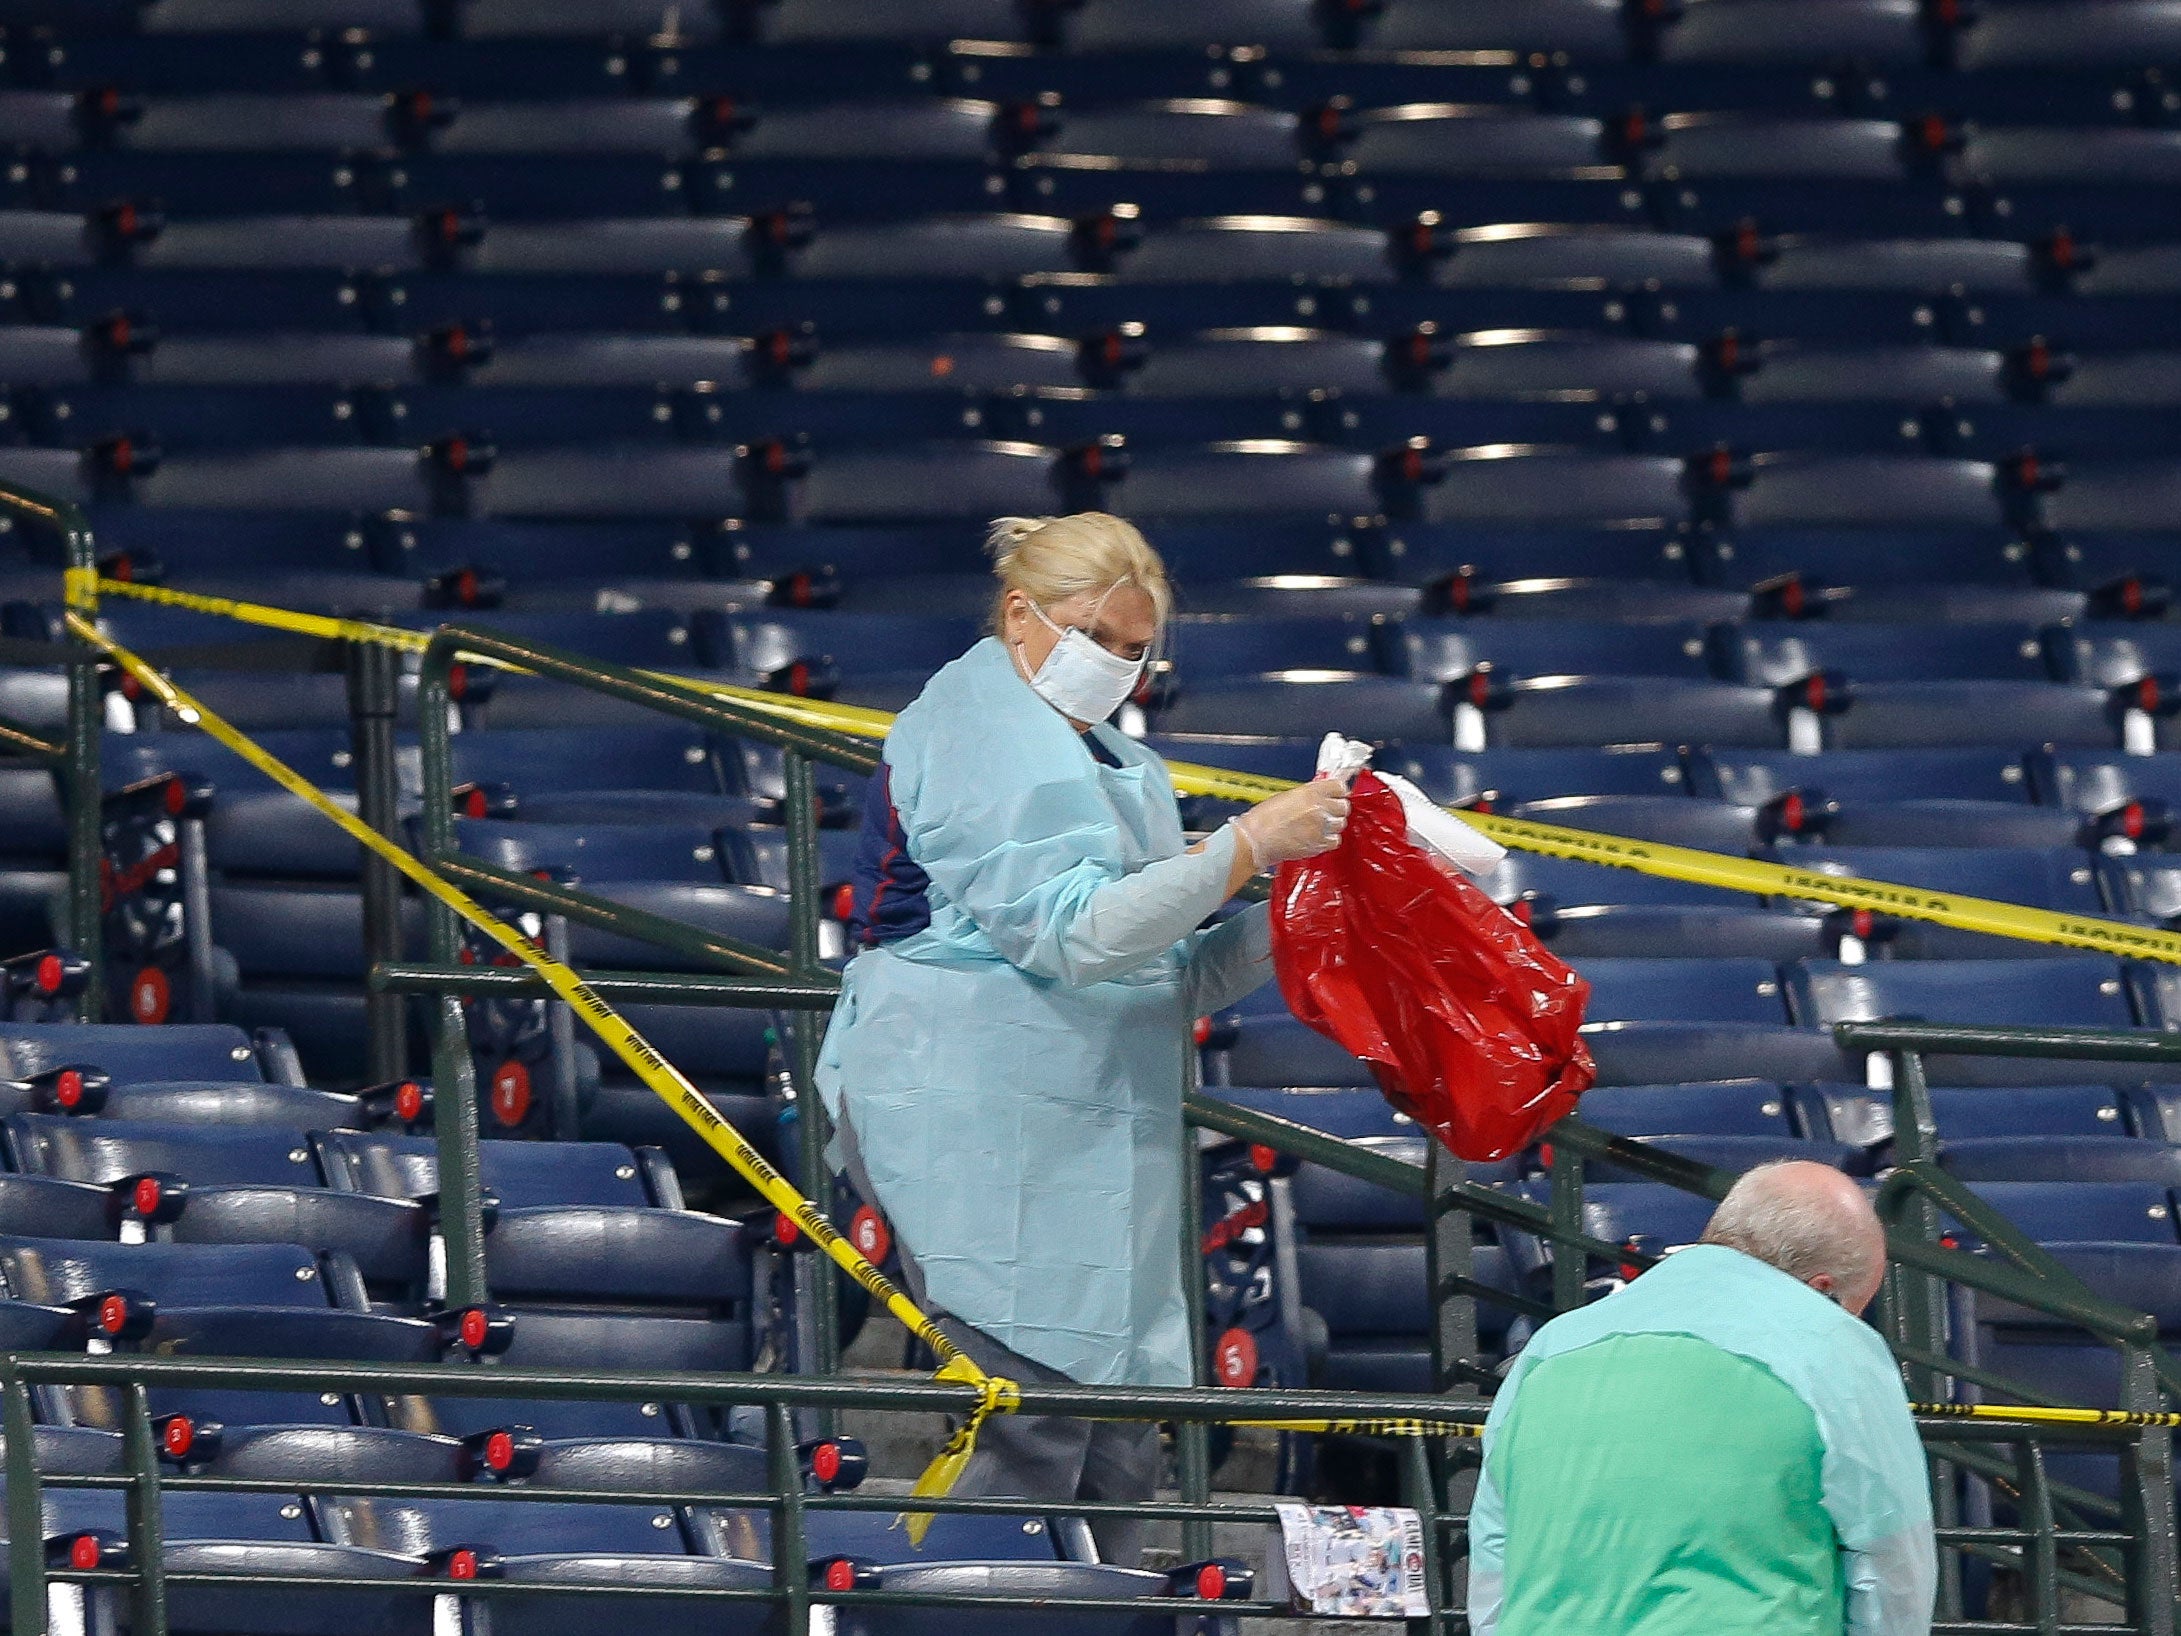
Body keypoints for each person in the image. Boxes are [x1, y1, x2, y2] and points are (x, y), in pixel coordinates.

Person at [814, 512, 1351, 1563]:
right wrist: (1247, 842)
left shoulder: (1122, 768)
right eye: (1091, 633)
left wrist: (1298, 911)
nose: (1114, 662)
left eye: (1132, 646)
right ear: (1020, 614)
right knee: (1031, 1428)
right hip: (971, 1116)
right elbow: (1072, 935)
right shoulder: (971, 735)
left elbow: (1167, 964)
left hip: (1094, 1127)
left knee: (1119, 1453)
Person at [1469, 1160, 1935, 1636]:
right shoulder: (1836, 1344)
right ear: (1822, 1289)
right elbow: (1892, 1563)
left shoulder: (1550, 1347)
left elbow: (1492, 1559)